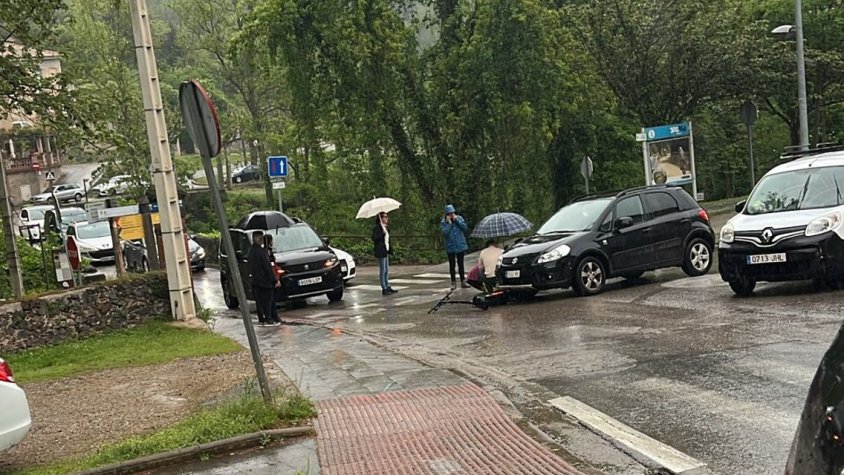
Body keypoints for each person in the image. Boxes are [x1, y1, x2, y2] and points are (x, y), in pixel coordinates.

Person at [248, 230, 280, 326]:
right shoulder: (262, 252)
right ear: (258, 239)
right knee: (268, 301)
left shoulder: (251, 251)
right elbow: (267, 267)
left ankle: (261, 319)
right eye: (261, 238)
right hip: (265, 281)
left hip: (255, 281)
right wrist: (274, 280)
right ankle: (268, 319)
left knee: (259, 302)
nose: (262, 240)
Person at [440, 204, 469, 290]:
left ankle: (463, 280)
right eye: (449, 214)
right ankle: (453, 282)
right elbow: (445, 233)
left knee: (461, 264)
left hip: (460, 245)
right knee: (452, 265)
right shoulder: (443, 222)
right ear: (446, 214)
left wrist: (456, 220)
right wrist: (449, 224)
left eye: (452, 213)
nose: (451, 215)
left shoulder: (459, 218)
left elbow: (464, 228)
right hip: (450, 246)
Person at [372, 212, 396, 296]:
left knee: (386, 270)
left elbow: (387, 240)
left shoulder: (385, 227)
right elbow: (374, 238)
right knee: (383, 270)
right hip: (380, 251)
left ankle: (388, 285)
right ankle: (384, 288)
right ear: (381, 218)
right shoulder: (377, 228)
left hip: (386, 250)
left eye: (387, 217)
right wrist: (382, 233)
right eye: (385, 217)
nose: (387, 218)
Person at [263, 233, 281, 325]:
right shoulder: (266, 253)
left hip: (274, 277)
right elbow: (270, 267)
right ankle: (272, 316)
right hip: (271, 280)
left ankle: (274, 316)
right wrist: (275, 279)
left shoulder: (270, 252)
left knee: (273, 300)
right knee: (271, 300)